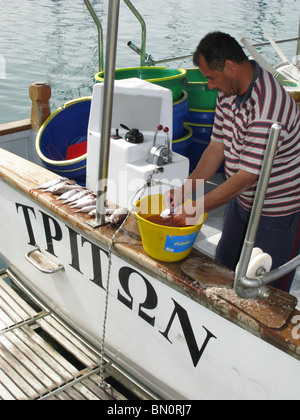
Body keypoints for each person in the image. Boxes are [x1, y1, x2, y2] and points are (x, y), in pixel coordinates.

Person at [166, 32, 300, 293]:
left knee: (265, 289)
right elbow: (216, 148)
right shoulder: (228, 92)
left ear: (230, 66)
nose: (210, 85)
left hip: (278, 212)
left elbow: (247, 177)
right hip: (243, 202)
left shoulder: (267, 107)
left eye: (211, 78)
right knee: (223, 269)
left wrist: (195, 208)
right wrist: (185, 190)